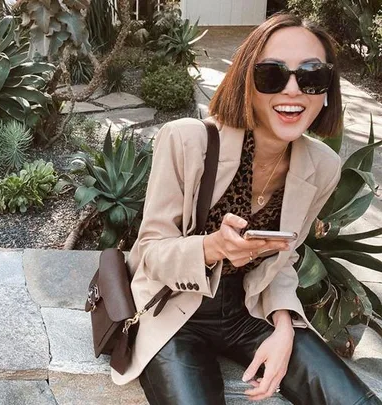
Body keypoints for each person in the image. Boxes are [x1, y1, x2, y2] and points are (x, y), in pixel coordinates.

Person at [111, 12, 382, 405]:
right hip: (174, 309)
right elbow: (150, 251)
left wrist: (285, 328)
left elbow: (284, 260)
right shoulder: (188, 141)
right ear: (246, 82)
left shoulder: (321, 166)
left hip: (250, 311)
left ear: (326, 91)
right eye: (272, 75)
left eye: (311, 76)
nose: (293, 91)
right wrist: (212, 248)